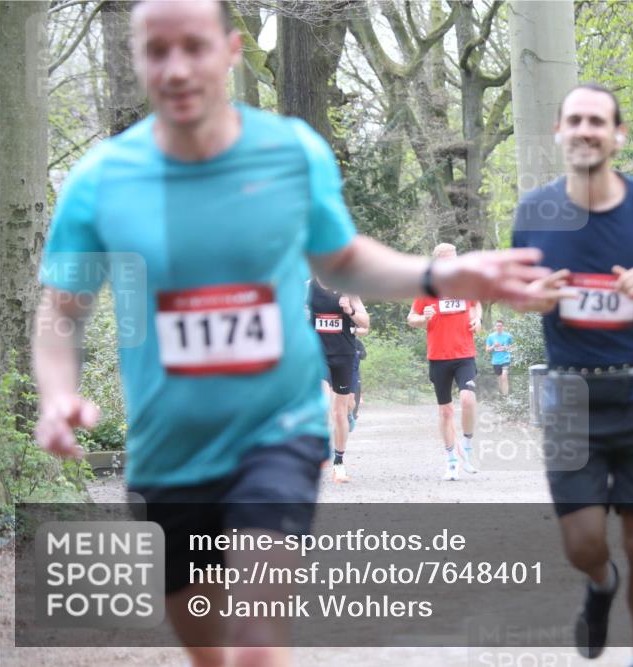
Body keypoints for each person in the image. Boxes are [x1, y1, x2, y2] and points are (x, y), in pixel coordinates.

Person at [31, 2, 552, 665]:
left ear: (230, 49)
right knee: (209, 647)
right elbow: (62, 312)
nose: (176, 66)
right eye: (155, 50)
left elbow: (341, 260)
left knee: (256, 637)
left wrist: (439, 276)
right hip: (165, 452)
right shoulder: (100, 183)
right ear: (136, 58)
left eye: (193, 45)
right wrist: (56, 394)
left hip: (275, 428)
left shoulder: (288, 153)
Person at [512, 83, 633, 667]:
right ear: (559, 131)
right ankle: (600, 583)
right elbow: (518, 292)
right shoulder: (534, 211)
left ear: (617, 134)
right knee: (584, 543)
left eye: (598, 120)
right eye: (575, 119)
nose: (586, 129)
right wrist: (534, 298)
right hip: (570, 396)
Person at [407, 243, 483, 480]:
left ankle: (467, 446)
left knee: (468, 399)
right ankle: (451, 458)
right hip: (438, 357)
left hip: (464, 354)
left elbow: (477, 304)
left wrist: (478, 319)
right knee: (446, 411)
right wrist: (423, 318)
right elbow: (411, 318)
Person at [308, 278, 367, 482]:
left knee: (339, 413)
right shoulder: (306, 288)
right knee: (323, 402)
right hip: (317, 354)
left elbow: (365, 321)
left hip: (344, 355)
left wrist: (350, 310)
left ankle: (339, 463)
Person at [485, 319, 515, 396]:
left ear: (503, 327)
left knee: (504, 376)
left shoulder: (508, 336)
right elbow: (487, 350)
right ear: (495, 327)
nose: (499, 327)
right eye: (497, 326)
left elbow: (513, 347)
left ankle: (506, 396)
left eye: (500, 326)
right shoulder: (491, 337)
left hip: (505, 359)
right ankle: (502, 395)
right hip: (496, 361)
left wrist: (507, 348)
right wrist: (493, 346)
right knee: (500, 379)